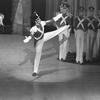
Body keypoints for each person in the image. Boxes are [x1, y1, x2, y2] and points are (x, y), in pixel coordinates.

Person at [23, 12, 69, 76]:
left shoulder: (41, 22)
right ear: (36, 21)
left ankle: (66, 27)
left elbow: (51, 21)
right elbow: (31, 35)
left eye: (39, 18)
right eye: (38, 19)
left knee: (54, 33)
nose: (40, 19)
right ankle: (35, 71)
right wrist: (27, 39)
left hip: (44, 37)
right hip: (39, 42)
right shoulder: (34, 29)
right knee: (38, 55)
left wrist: (59, 16)